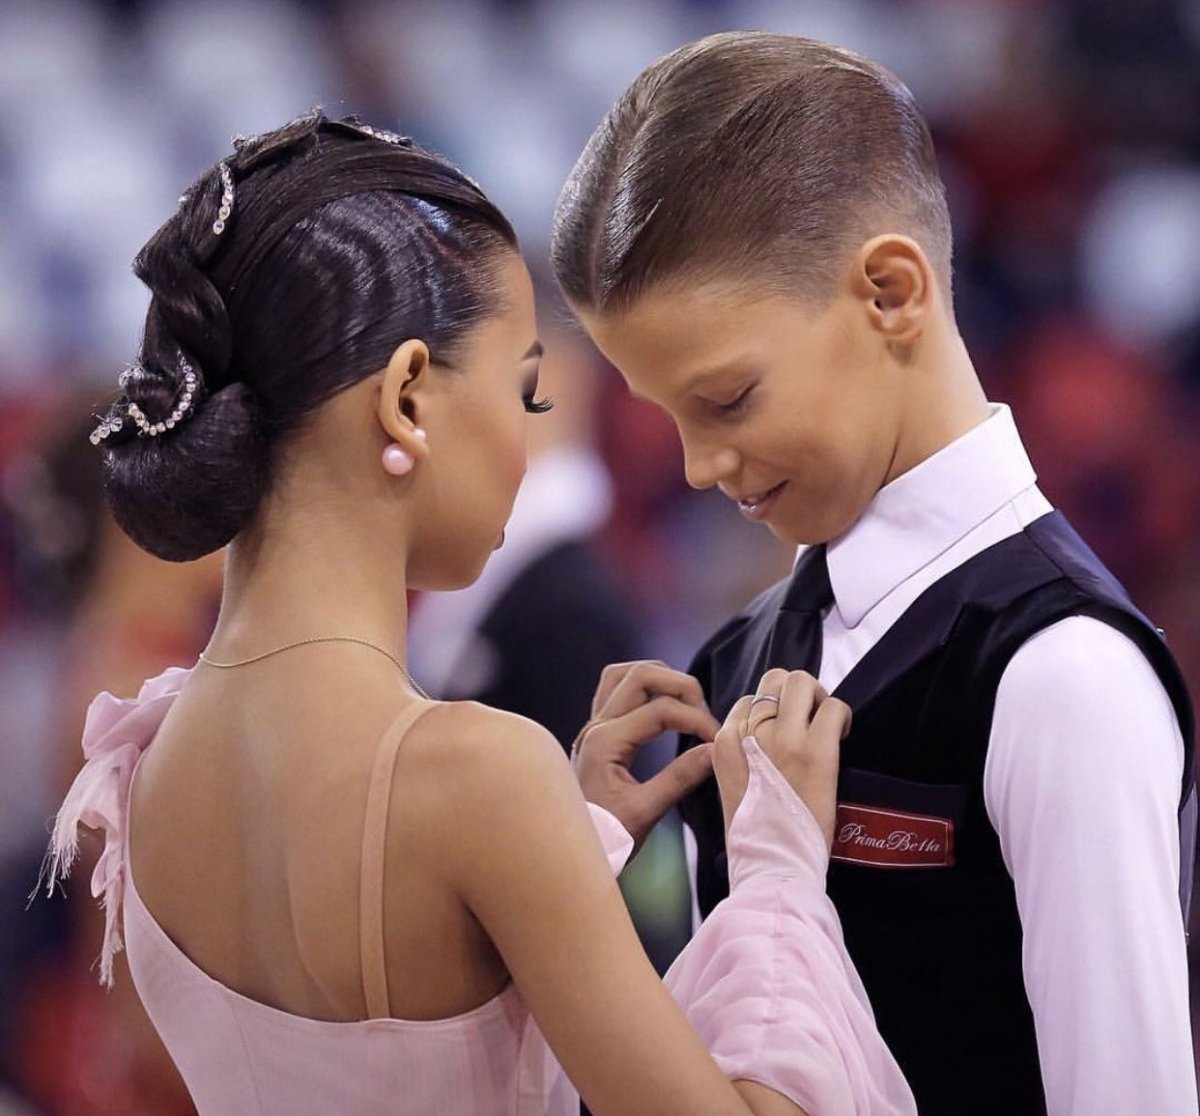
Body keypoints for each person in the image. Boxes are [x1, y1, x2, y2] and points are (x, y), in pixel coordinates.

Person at [42, 111, 915, 1116]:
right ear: (409, 394)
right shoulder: (478, 778)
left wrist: (564, 842)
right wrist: (777, 875)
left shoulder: (144, 769)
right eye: (527, 391)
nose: (529, 443)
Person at [551, 31, 1197, 1116]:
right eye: (664, 418)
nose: (699, 467)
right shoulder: (736, 656)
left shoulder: (1061, 674)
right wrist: (573, 873)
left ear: (892, 291)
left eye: (726, 401)